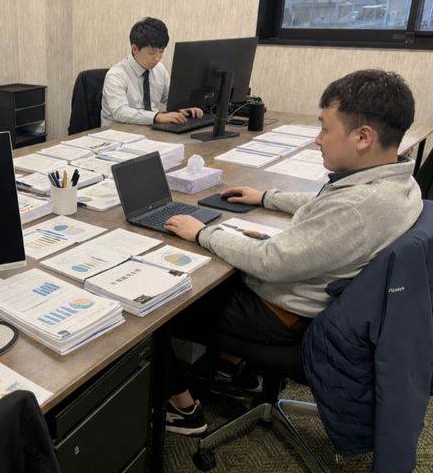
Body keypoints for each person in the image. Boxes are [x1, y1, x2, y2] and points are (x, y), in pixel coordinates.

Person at [161, 69, 422, 436]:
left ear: (363, 137)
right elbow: (327, 203)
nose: (318, 140)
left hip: (282, 311)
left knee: (164, 308)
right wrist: (267, 197)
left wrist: (203, 232)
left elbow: (270, 262)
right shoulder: (397, 179)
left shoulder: (356, 207)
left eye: (325, 129)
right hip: (314, 296)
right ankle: (231, 367)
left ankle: (183, 408)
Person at [101, 17, 203, 127]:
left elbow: (170, 99)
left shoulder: (159, 69)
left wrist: (183, 107)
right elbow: (120, 112)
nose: (157, 58)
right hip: (119, 132)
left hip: (150, 131)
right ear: (135, 49)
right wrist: (156, 117)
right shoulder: (116, 75)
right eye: (152, 52)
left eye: (161, 51)